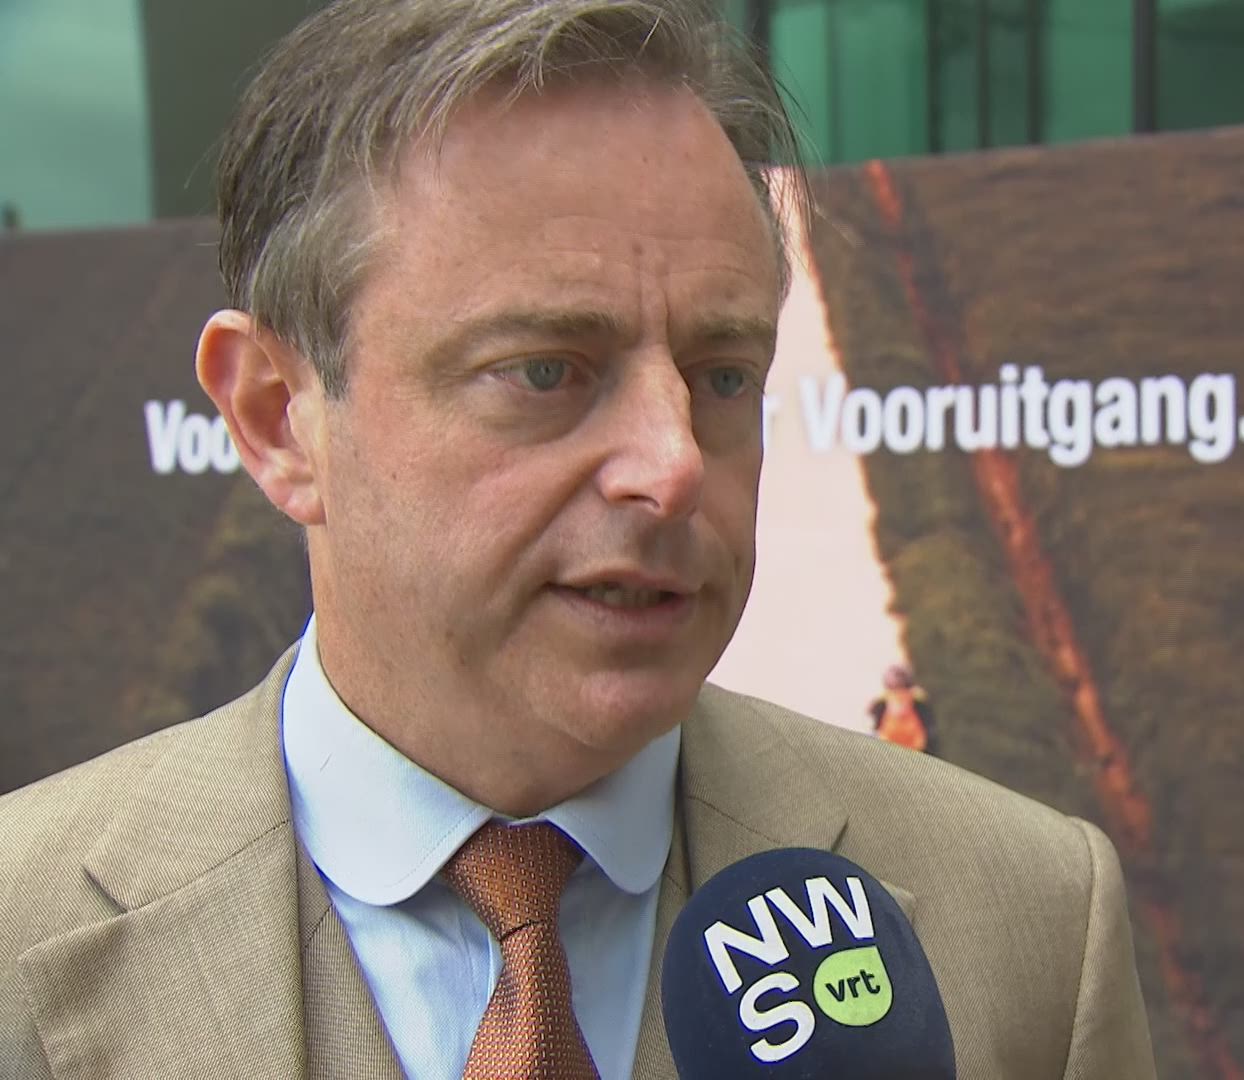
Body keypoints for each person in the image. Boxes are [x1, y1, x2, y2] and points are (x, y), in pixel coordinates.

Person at [0, 2, 1154, 1078]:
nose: (674, 463)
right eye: (546, 371)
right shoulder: (25, 927)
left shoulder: (1029, 920)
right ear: (276, 418)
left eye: (723, 375)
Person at [870, 663, 936, 754]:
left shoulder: (882, 700)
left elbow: (873, 720)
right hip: (915, 746)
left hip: (890, 745)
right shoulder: (918, 696)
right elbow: (929, 723)